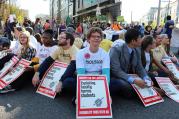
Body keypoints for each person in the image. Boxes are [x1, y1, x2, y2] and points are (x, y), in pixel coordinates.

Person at [109, 28, 151, 98]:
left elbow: (139, 67)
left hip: (132, 75)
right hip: (117, 77)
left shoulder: (137, 49)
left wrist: (145, 77)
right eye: (140, 38)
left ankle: (144, 90)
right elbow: (116, 71)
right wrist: (133, 80)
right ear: (133, 41)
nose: (142, 40)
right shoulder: (116, 50)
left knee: (149, 76)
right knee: (124, 85)